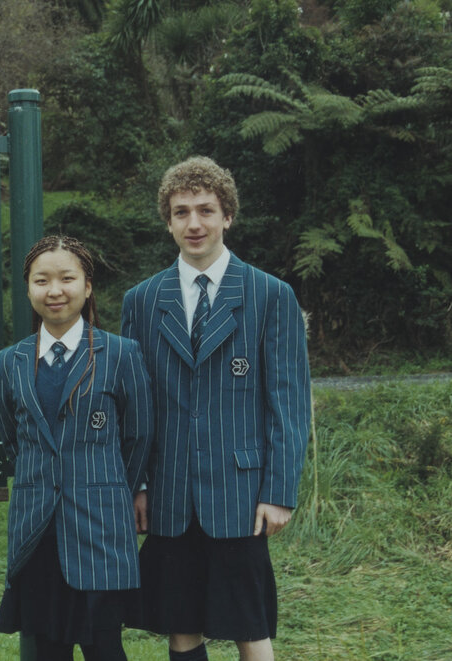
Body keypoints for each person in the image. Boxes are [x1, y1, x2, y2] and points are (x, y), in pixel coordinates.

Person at [121, 157, 312, 661]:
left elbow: (289, 403)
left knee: (250, 626)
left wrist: (279, 491)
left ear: (228, 216)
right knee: (181, 627)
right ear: (168, 221)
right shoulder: (142, 301)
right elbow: (134, 407)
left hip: (241, 494)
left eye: (206, 210)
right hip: (169, 493)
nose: (194, 224)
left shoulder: (271, 295)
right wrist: (137, 484)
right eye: (181, 212)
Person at [0, 235, 154, 661]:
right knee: (45, 649)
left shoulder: (121, 354)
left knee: (104, 647)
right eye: (41, 280)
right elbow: (12, 437)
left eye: (67, 278)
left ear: (87, 286)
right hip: (36, 529)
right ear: (28, 288)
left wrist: (111, 488)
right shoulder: (9, 361)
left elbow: (138, 438)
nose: (54, 290)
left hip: (99, 527)